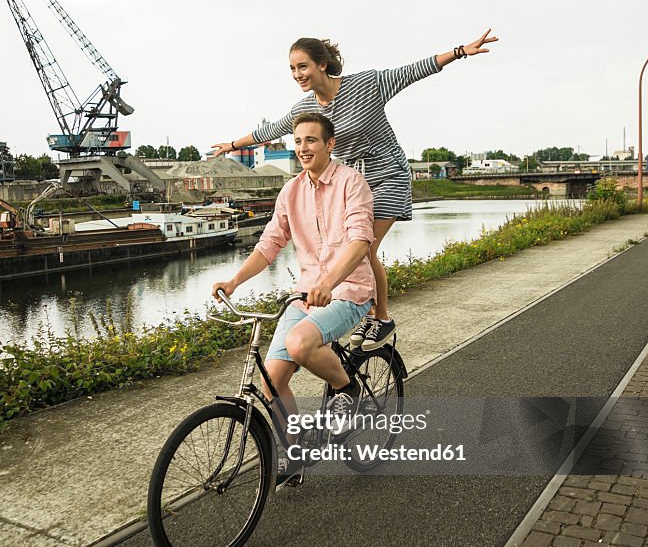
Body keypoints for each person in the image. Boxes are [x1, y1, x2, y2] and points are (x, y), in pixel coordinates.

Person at [211, 30, 498, 351]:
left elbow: (414, 71)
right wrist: (233, 144)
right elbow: (271, 129)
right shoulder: (305, 108)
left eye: (302, 67)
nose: (297, 75)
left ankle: (382, 318)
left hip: (389, 174)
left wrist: (459, 51)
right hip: (350, 184)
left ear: (322, 65)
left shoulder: (366, 85)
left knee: (365, 247)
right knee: (346, 247)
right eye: (292, 69)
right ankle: (353, 310)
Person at [211, 111, 375, 444]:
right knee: (271, 380)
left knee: (299, 344)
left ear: (330, 144)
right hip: (305, 295)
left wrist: (329, 283)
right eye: (298, 141)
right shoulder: (291, 191)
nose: (303, 148)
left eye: (311, 140)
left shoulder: (350, 182)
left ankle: (347, 387)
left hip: (348, 290)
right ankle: (299, 450)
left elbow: (360, 242)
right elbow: (269, 244)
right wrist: (234, 282)